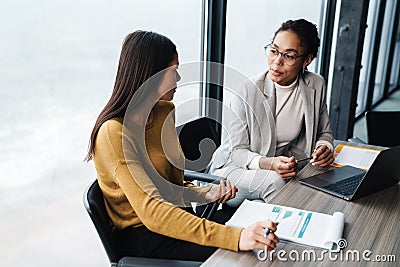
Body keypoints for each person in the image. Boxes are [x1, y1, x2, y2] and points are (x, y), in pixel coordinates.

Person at [85, 30, 279, 262]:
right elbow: (152, 212)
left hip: (177, 218)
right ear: (151, 75)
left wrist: (206, 193)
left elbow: (172, 185)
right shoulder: (113, 133)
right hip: (146, 236)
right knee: (249, 254)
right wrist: (236, 237)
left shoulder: (164, 112)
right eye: (173, 71)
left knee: (265, 236)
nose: (178, 78)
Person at [208, 19, 335, 207]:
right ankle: (282, 234)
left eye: (289, 56)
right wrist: (270, 163)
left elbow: (324, 133)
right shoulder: (247, 91)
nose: (277, 62)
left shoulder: (315, 84)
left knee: (320, 179)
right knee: (275, 182)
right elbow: (236, 153)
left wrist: (324, 147)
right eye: (274, 51)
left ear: (306, 60)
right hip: (233, 171)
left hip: (283, 169)